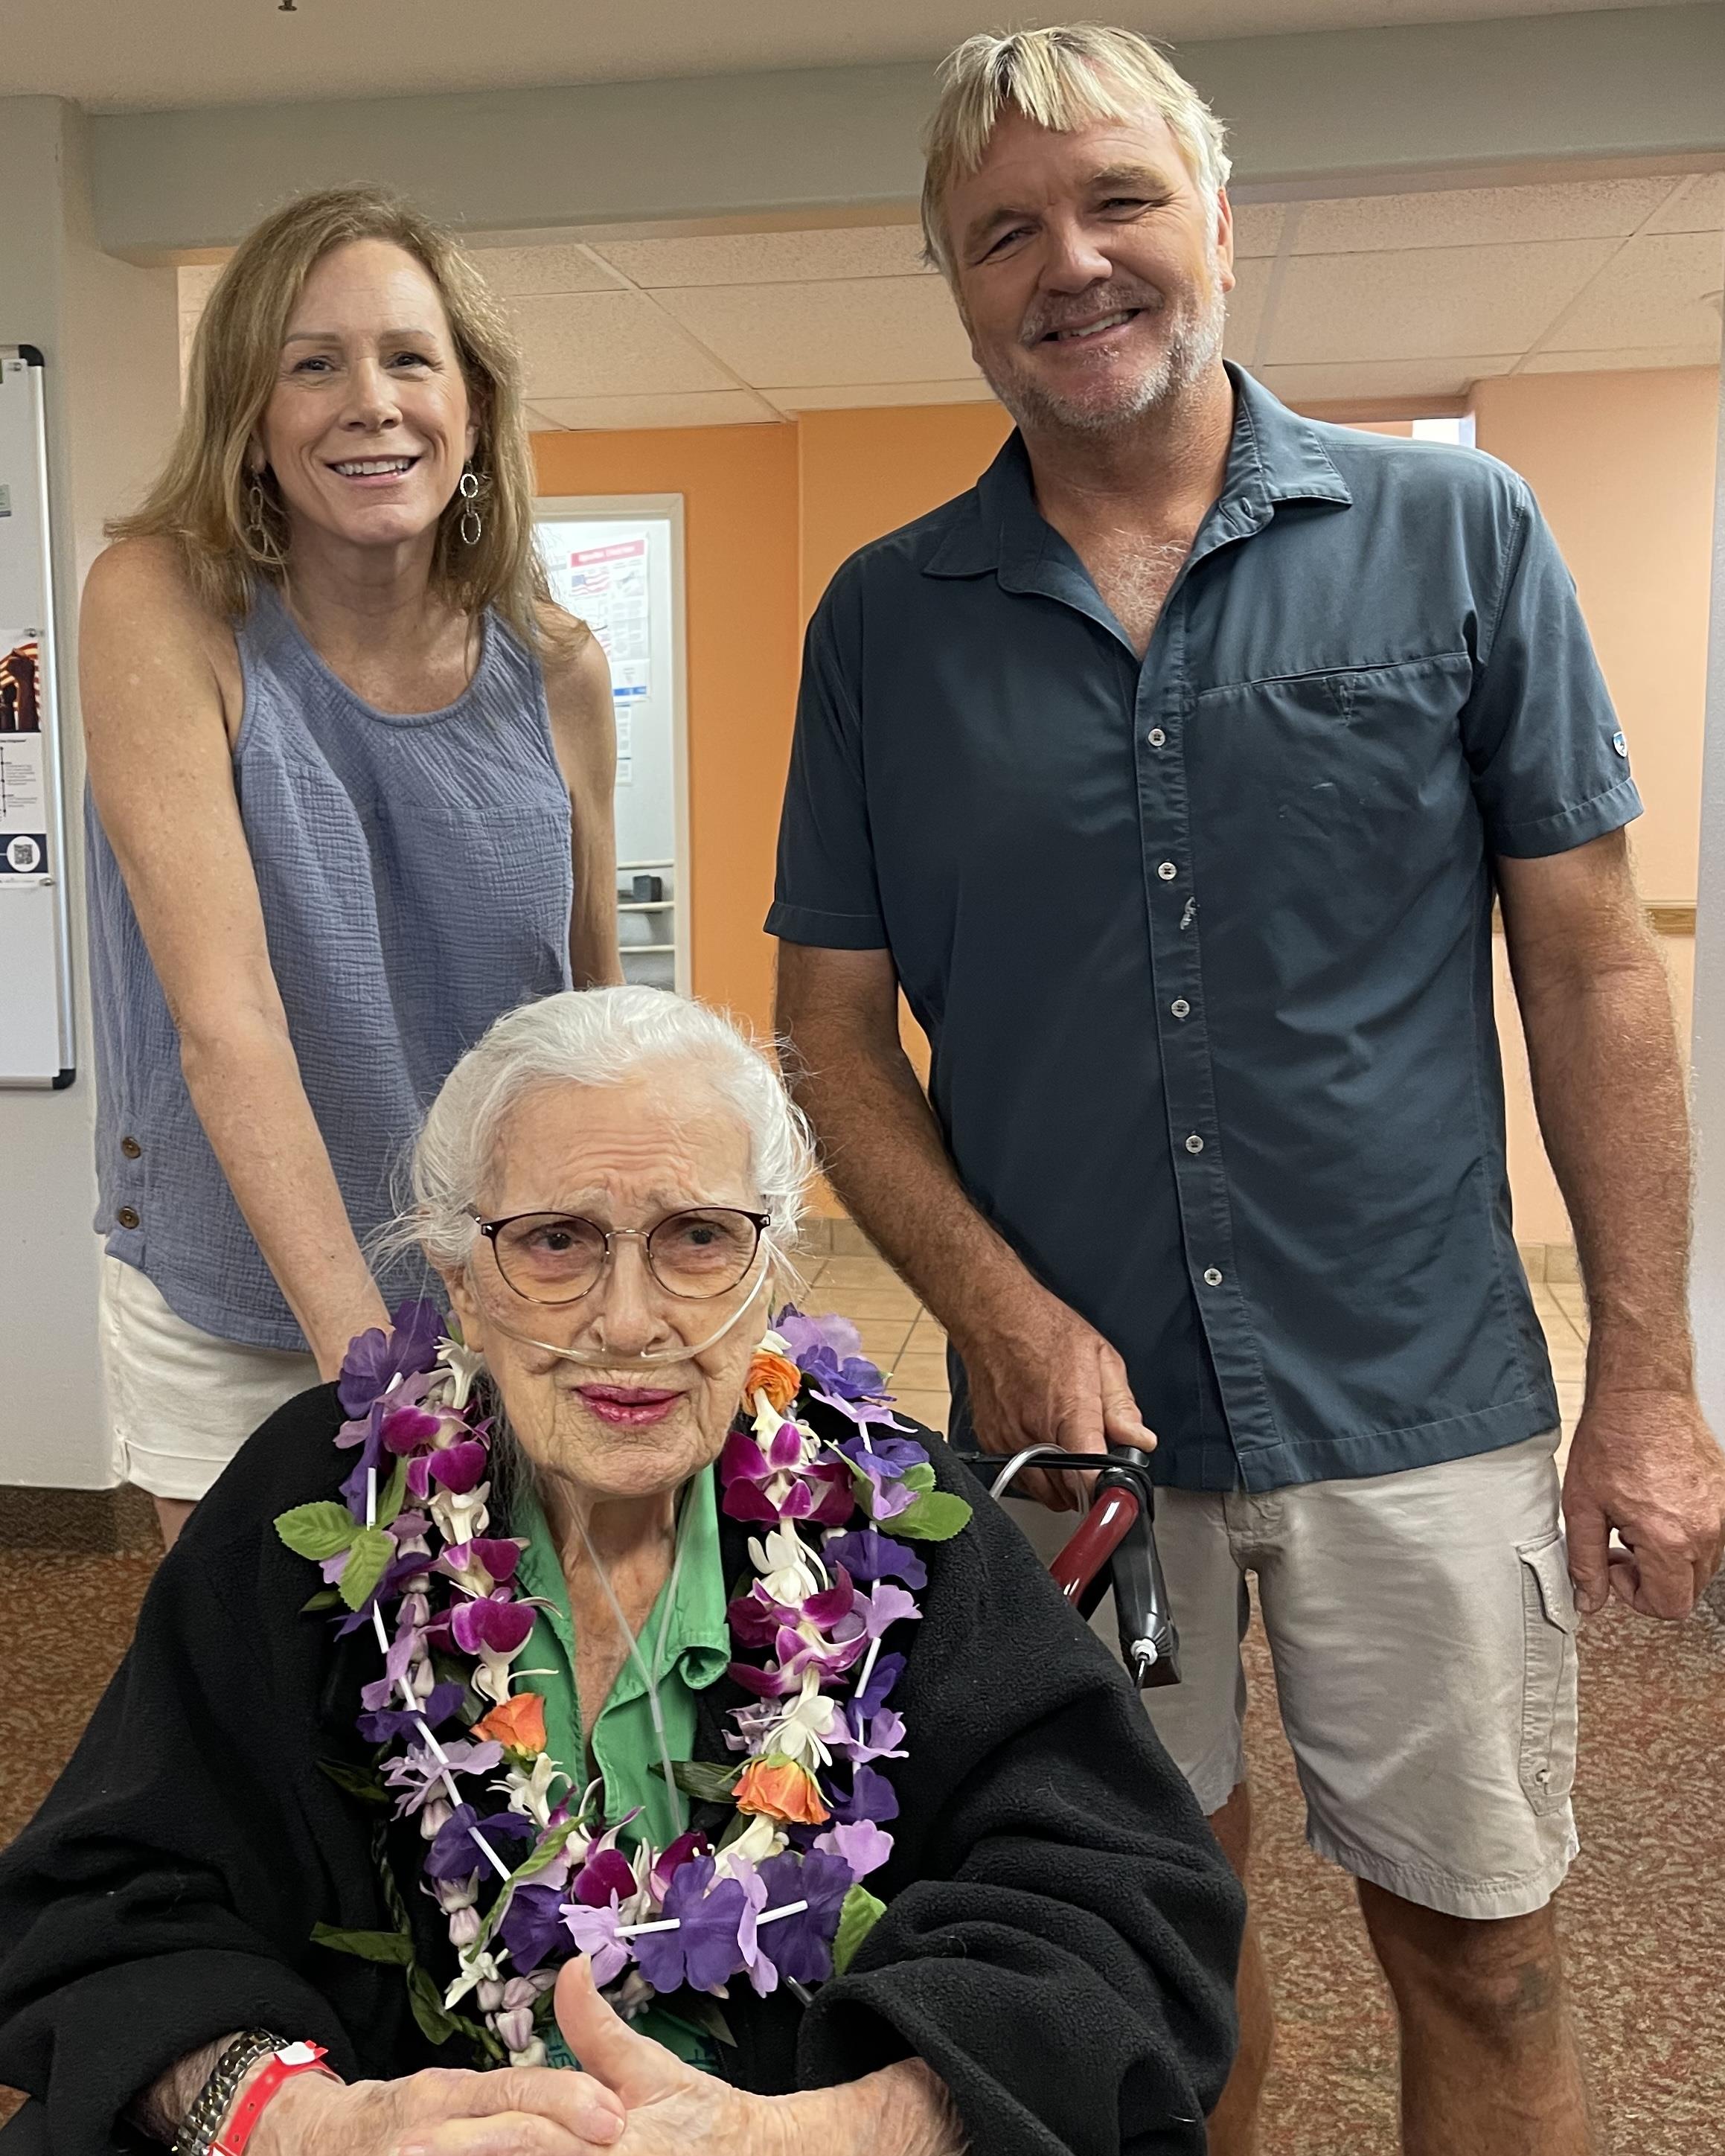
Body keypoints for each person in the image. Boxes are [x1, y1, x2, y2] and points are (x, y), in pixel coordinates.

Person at [767, 25, 1725, 2156]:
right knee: (1151, 1965)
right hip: (1071, 1444)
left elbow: (1585, 968)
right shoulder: (881, 623)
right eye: (1002, 230)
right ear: (951, 280)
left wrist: (1644, 1376)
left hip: (1420, 1394)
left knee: (1479, 1951)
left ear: (1217, 218)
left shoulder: (1452, 532)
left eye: (1114, 202)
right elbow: (827, 1026)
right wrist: (996, 1310)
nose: (1069, 263)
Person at [0, 987, 1243, 2156]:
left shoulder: (892, 1509)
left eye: (697, 1236)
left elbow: (1123, 1913)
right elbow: (108, 1903)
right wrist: (313, 2125)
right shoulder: (317, 1502)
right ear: (459, 1281)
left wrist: (828, 2132)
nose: (633, 1320)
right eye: (555, 1240)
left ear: (768, 1273)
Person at [82, 187, 620, 1549]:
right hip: (247, 1295)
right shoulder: (159, 605)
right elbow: (229, 1021)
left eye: (408, 358)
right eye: (311, 363)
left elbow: (598, 1027)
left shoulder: (556, 670)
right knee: (267, 1727)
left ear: (474, 405)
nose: (368, 401)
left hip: (508, 1283)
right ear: (250, 423)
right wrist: (380, 1384)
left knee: (512, 1716)